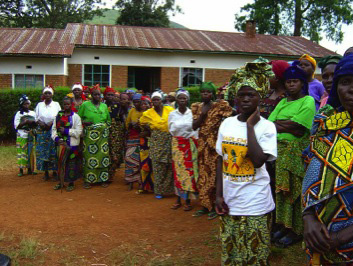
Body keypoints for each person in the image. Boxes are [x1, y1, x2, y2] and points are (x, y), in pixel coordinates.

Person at [215, 61, 277, 265]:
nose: (246, 99)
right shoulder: (227, 124)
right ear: (235, 97)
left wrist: (250, 127)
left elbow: (259, 161)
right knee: (232, 254)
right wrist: (218, 195)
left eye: (251, 94)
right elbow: (220, 159)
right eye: (242, 94)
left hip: (256, 203)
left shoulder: (267, 127)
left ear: (260, 97)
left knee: (256, 256)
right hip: (231, 202)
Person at [302, 55, 353, 265]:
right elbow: (310, 172)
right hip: (319, 238)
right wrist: (308, 217)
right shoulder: (324, 124)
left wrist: (339, 238)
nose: (351, 89)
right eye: (345, 82)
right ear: (336, 89)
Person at [268, 64, 316, 247]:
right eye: (288, 82)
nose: (291, 85)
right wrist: (287, 124)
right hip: (279, 153)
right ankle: (284, 226)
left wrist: (280, 124)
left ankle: (296, 230)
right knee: (282, 191)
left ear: (302, 83)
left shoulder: (308, 101)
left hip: (296, 154)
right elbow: (269, 124)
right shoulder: (282, 102)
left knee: (295, 192)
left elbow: (299, 129)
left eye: (295, 81)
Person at [191, 82, 233, 220]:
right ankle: (205, 205)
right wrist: (202, 116)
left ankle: (216, 205)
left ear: (213, 94)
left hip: (215, 145)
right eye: (203, 92)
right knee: (203, 174)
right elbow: (194, 126)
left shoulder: (219, 106)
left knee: (215, 175)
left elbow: (232, 115)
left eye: (208, 92)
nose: (205, 94)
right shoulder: (197, 107)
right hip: (202, 145)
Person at [140, 91, 174, 199]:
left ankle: (169, 190)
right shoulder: (148, 113)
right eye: (154, 99)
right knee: (157, 165)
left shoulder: (170, 110)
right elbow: (140, 123)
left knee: (169, 164)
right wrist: (148, 130)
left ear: (161, 100)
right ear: (152, 101)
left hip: (169, 140)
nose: (156, 101)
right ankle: (159, 191)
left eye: (157, 99)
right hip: (156, 141)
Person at [168, 89, 199, 211]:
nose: (182, 100)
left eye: (184, 98)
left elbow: (195, 129)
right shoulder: (172, 114)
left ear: (187, 100)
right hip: (177, 145)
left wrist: (191, 139)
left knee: (188, 172)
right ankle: (178, 199)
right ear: (176, 100)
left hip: (189, 144)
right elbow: (170, 129)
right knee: (177, 171)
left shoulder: (192, 113)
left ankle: (187, 200)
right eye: (180, 98)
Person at [78, 85, 111, 189]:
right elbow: (77, 119)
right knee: (89, 155)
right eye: (95, 94)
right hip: (89, 136)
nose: (98, 96)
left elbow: (108, 120)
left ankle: (103, 179)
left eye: (99, 95)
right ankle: (89, 180)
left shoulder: (104, 106)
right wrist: (84, 122)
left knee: (103, 156)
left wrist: (105, 128)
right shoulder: (85, 105)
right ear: (91, 95)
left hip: (102, 136)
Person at [52, 97, 83, 191]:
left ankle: (71, 182)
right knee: (60, 163)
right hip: (61, 144)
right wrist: (57, 138)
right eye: (65, 104)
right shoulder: (58, 116)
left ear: (71, 104)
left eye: (68, 104)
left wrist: (66, 131)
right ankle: (60, 182)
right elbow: (53, 129)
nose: (66, 106)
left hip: (72, 145)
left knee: (71, 164)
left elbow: (79, 132)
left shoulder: (76, 117)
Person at [35, 86, 61, 180]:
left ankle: (54, 172)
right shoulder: (39, 105)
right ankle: (45, 172)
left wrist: (51, 123)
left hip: (52, 129)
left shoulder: (56, 104)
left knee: (53, 151)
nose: (47, 95)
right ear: (43, 94)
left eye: (49, 93)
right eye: (45, 93)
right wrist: (40, 122)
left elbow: (59, 116)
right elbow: (36, 117)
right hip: (42, 131)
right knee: (42, 152)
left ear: (52, 94)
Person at [104, 86, 126, 180]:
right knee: (105, 152)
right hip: (104, 130)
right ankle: (104, 173)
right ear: (104, 96)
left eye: (112, 95)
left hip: (116, 131)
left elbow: (123, 119)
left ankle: (110, 174)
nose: (110, 97)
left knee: (115, 152)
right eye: (108, 95)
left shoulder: (118, 106)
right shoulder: (101, 105)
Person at [14, 95, 37, 177]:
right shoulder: (18, 114)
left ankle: (31, 169)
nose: (26, 106)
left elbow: (36, 123)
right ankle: (21, 170)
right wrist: (25, 122)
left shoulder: (33, 113)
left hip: (30, 135)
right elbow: (16, 126)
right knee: (21, 152)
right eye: (24, 104)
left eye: (27, 104)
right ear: (21, 105)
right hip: (21, 135)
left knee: (30, 152)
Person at [125, 93, 144, 190]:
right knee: (129, 157)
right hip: (132, 137)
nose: (136, 104)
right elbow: (127, 124)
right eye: (135, 102)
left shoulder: (145, 111)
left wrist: (140, 125)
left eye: (138, 102)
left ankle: (141, 181)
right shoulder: (131, 111)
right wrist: (131, 125)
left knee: (141, 159)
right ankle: (131, 180)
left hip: (142, 137)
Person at [138, 96, 154, 193]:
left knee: (152, 163)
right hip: (143, 143)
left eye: (146, 103)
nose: (144, 105)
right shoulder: (141, 116)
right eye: (142, 104)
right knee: (144, 164)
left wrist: (147, 132)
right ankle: (144, 186)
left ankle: (153, 186)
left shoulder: (153, 115)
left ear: (150, 105)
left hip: (153, 142)